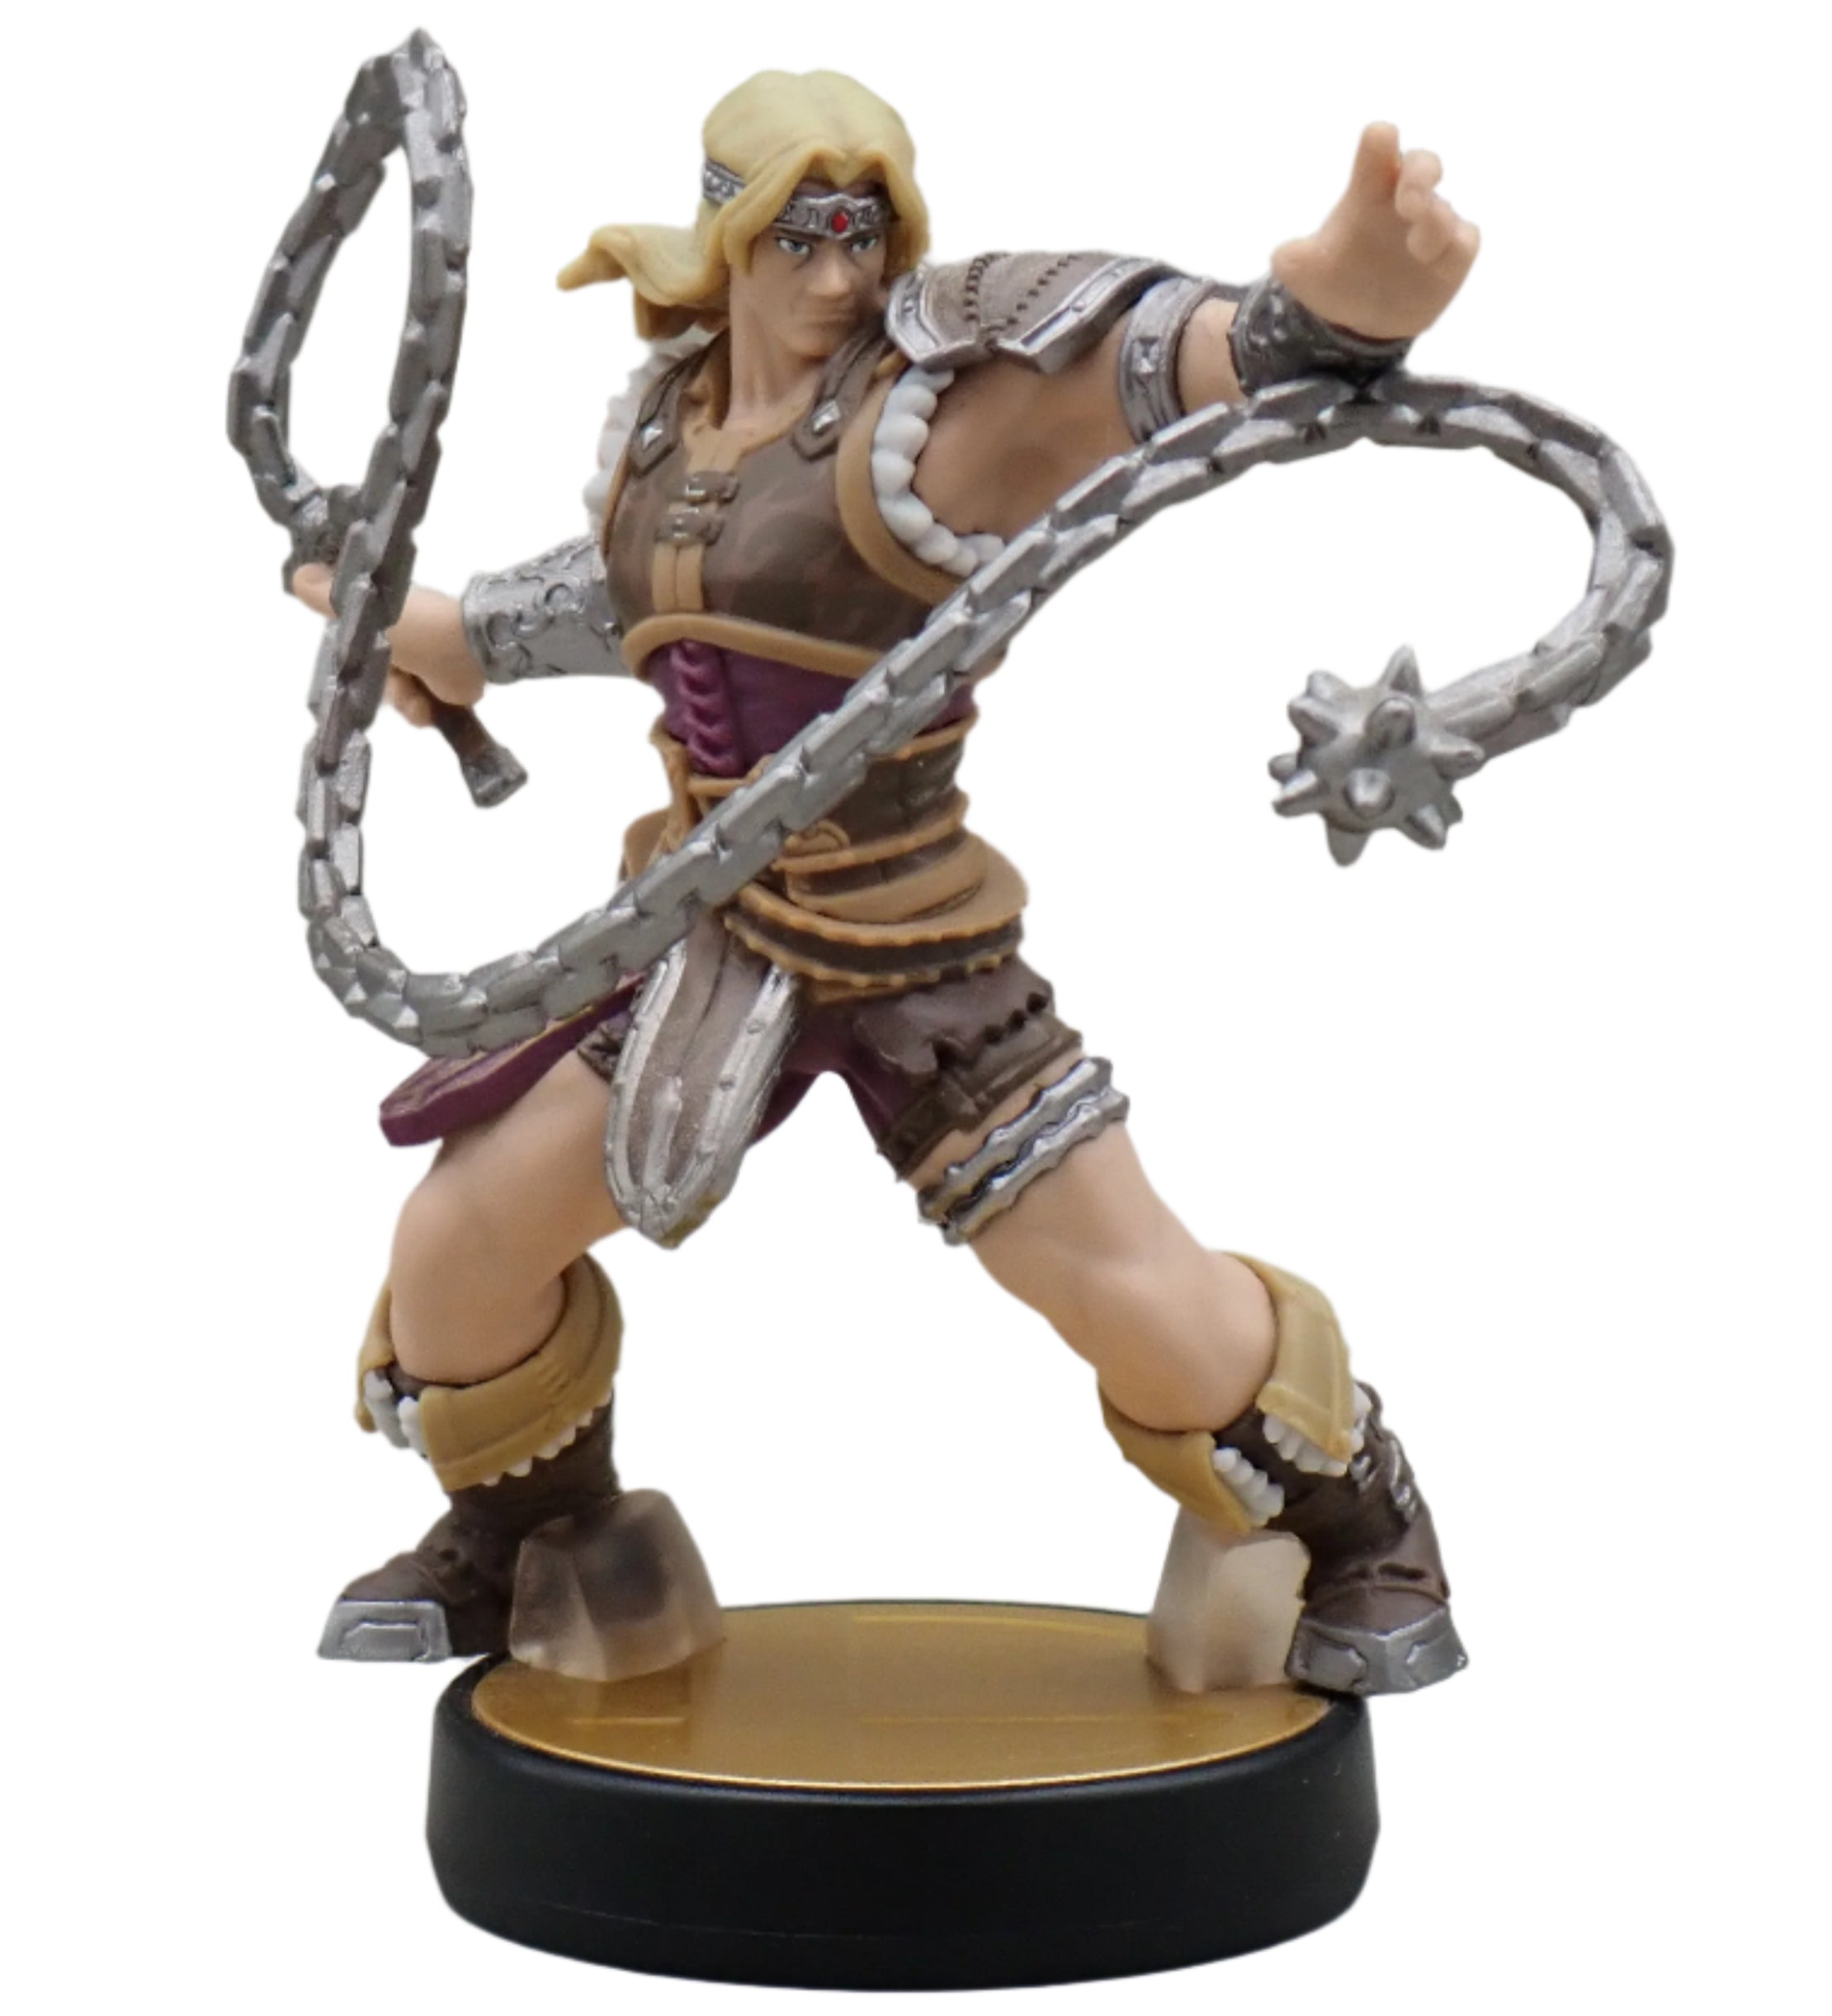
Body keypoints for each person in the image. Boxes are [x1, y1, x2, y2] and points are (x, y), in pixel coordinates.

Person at [291, 70, 1480, 1696]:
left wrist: (1322, 308)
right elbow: (622, 598)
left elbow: (1135, 373)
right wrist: (434, 632)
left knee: (1139, 1305)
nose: (838, 269)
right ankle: (535, 1534)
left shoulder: (938, 420)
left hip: (907, 945)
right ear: (728, 235)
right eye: (803, 231)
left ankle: (1362, 1522)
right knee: (459, 1247)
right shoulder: (668, 419)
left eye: (867, 231)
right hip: (702, 942)